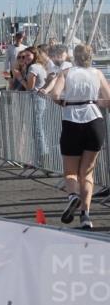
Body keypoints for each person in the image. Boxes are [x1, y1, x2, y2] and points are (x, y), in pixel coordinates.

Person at [43, 44, 110, 230]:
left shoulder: (66, 73)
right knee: (87, 172)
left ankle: (73, 196)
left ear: (74, 57)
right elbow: (108, 99)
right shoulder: (97, 73)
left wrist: (64, 102)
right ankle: (85, 215)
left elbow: (55, 94)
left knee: (71, 171)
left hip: (72, 119)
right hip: (94, 119)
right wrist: (95, 101)